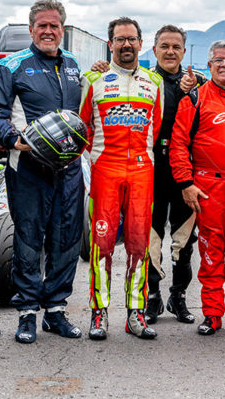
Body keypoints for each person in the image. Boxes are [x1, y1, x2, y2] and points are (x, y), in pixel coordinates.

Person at [0, 0, 84, 344]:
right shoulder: (11, 66)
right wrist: (12, 139)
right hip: (28, 166)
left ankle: (55, 311)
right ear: (31, 29)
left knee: (67, 239)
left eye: (54, 26)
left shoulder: (73, 64)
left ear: (62, 30)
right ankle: (27, 312)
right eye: (41, 25)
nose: (48, 31)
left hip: (69, 169)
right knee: (28, 241)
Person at [79, 17, 163, 340]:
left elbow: (156, 126)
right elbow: (83, 128)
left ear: (141, 43)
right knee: (101, 246)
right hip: (106, 170)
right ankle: (99, 313)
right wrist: (100, 158)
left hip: (142, 171)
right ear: (110, 43)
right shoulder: (93, 79)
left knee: (139, 245)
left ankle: (135, 313)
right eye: (120, 39)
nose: (126, 44)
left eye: (131, 39)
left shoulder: (154, 82)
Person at [170, 40, 225, 337]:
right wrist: (186, 182)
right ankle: (212, 313)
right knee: (210, 252)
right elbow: (178, 145)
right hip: (209, 185)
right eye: (218, 60)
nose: (224, 64)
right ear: (208, 66)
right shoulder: (194, 98)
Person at [144, 25, 204, 324]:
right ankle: (152, 297)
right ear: (154, 49)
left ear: (183, 51)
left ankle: (178, 297)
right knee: (151, 238)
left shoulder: (199, 83)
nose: (170, 51)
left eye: (176, 47)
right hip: (151, 171)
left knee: (184, 240)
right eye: (164, 46)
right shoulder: (143, 81)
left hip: (185, 173)